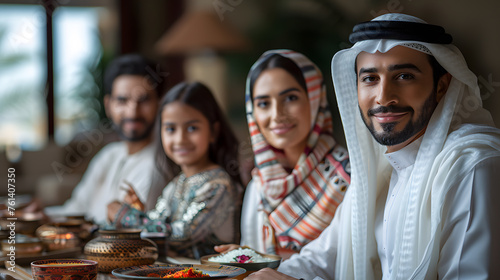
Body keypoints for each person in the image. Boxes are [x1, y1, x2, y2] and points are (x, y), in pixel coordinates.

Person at [246, 13, 500, 280]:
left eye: (403, 76)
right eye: (369, 78)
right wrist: (250, 272)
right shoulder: (376, 172)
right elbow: (320, 259)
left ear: (441, 86)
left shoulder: (472, 165)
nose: (383, 97)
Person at [215, 50, 350, 259]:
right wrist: (245, 257)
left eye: (290, 98)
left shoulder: (348, 177)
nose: (277, 114)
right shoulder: (260, 184)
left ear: (315, 99)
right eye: (263, 103)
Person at [107, 82, 243, 259]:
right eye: (171, 129)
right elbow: (156, 222)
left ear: (213, 132)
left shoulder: (218, 184)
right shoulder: (176, 183)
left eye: (192, 128)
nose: (180, 139)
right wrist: (139, 213)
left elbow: (182, 234)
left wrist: (126, 217)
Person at [43, 54, 166, 224]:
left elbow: (129, 231)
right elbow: (75, 209)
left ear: (159, 105)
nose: (132, 112)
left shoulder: (156, 165)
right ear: (108, 106)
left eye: (143, 100)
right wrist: (40, 216)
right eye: (122, 100)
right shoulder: (109, 154)